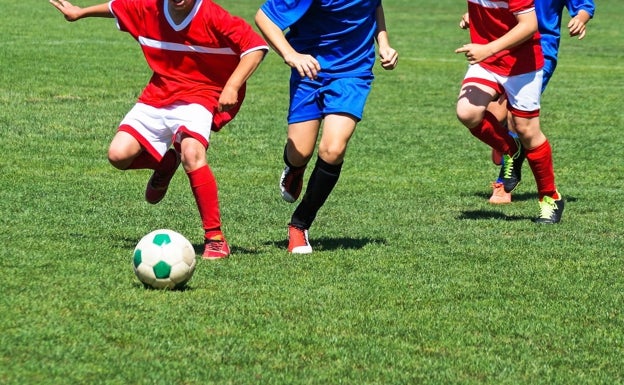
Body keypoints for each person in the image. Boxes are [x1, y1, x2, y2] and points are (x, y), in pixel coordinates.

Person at [49, 0, 269, 258]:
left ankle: (215, 238)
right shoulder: (148, 8)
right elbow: (116, 7)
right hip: (159, 94)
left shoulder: (212, 15)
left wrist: (232, 86)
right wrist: (80, 13)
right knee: (118, 155)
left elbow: (255, 46)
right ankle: (165, 164)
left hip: (202, 94)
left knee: (191, 153)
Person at [254, 0, 398, 254]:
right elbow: (264, 17)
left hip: (353, 72)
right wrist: (290, 54)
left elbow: (374, 6)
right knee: (300, 152)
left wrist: (383, 43)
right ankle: (295, 167)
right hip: (309, 70)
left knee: (333, 149)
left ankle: (299, 225)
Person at [466, 0, 595, 204]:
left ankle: (505, 183)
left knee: (515, 119)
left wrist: (580, 19)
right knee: (491, 112)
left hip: (540, 51)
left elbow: (584, 6)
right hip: (503, 47)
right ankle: (510, 146)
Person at [455, 0, 564, 224]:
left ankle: (550, 198)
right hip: (487, 62)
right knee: (468, 112)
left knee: (527, 131)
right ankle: (511, 149)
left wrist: (488, 48)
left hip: (522, 64)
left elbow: (530, 24)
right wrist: (472, 15)